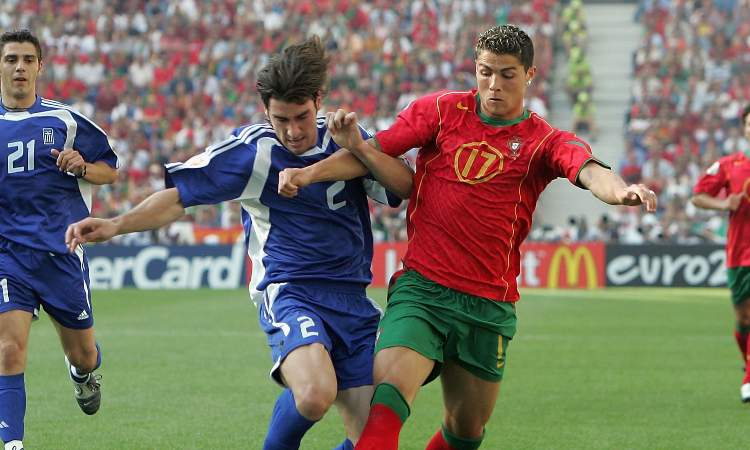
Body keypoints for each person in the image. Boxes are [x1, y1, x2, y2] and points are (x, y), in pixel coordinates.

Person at [279, 24, 657, 450]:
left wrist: (620, 191)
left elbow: (589, 170)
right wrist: (307, 174)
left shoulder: (543, 141)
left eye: (507, 74)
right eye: (485, 72)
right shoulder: (439, 112)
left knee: (465, 430)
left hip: (488, 305)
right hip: (422, 291)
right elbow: (373, 152)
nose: (493, 85)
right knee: (385, 400)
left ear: (530, 74)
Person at [64, 36, 413, 450]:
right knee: (316, 393)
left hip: (352, 298)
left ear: (319, 100)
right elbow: (180, 198)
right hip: (291, 291)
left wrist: (360, 146)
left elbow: (402, 188)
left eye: (301, 117)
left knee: (372, 438)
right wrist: (116, 225)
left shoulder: (347, 138)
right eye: (280, 118)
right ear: (266, 110)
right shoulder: (253, 152)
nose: (293, 131)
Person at [0, 29, 119, 450]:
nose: (19, 67)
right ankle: (13, 443)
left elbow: (110, 169)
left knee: (83, 354)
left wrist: (83, 165)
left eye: (27, 59)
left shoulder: (65, 121)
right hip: (8, 256)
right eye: (11, 58)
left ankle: (83, 373)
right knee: (9, 350)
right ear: (1, 65)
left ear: (39, 67)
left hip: (61, 252)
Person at [691, 104, 750, 403]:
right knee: (743, 317)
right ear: (744, 128)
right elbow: (698, 196)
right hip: (739, 253)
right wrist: (725, 205)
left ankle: (749, 376)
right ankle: (748, 361)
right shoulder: (729, 165)